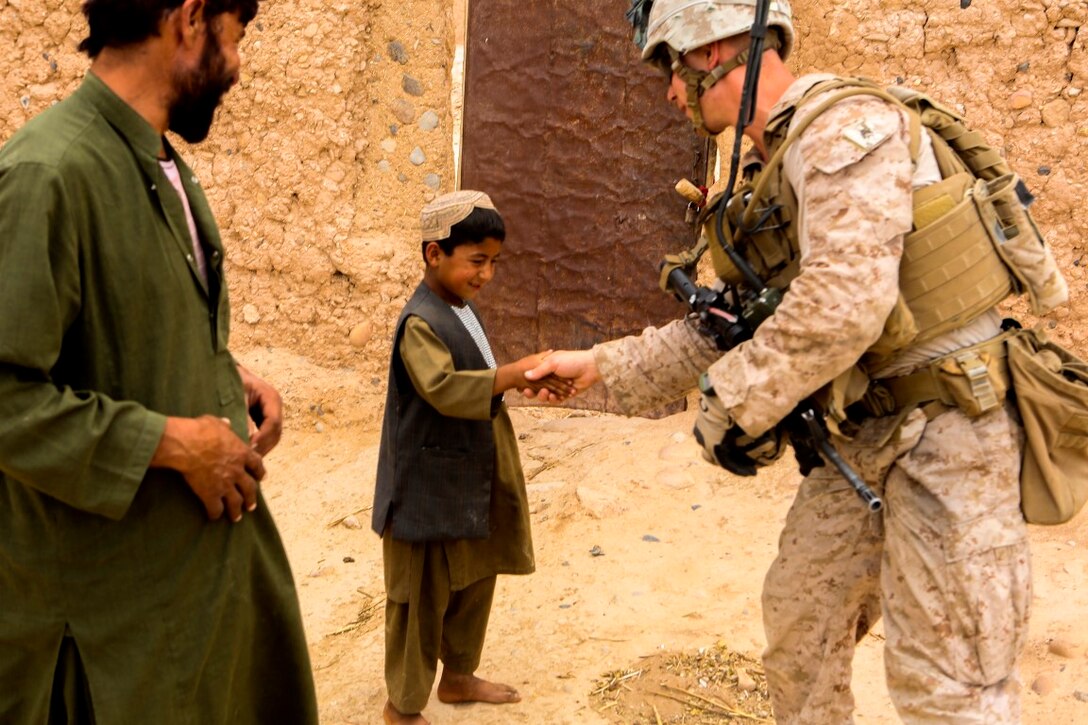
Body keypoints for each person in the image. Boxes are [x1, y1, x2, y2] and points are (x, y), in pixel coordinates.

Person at [527, 0, 1067, 722]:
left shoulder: (846, 133)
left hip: (951, 431)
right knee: (800, 624)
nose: (668, 91)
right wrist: (599, 365)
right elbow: (725, 326)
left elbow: (844, 305)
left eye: (670, 67)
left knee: (948, 681)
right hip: (864, 435)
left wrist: (731, 401)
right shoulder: (771, 166)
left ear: (714, 51)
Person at [0, 0, 318, 721]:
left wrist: (219, 373)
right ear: (191, 19)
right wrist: (178, 443)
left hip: (187, 598)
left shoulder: (156, 158)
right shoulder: (48, 173)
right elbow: (8, 400)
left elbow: (120, 324)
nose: (238, 66)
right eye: (237, 40)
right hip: (109, 634)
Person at [372, 190, 572, 725]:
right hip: (424, 484)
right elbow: (442, 387)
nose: (486, 275)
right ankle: (403, 706)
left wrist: (524, 381)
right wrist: (516, 371)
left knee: (475, 575)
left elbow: (481, 380)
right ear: (434, 254)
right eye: (476, 261)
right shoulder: (421, 321)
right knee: (419, 597)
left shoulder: (462, 310)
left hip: (468, 472)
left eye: (494, 263)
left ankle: (458, 676)